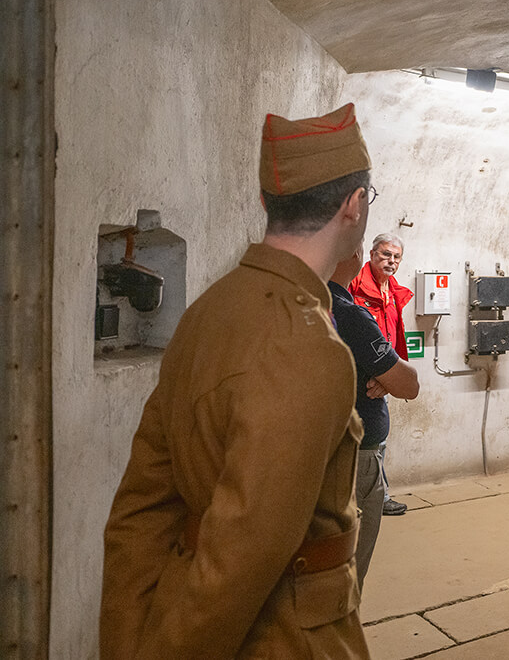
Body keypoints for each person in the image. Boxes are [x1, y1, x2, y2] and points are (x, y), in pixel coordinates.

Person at [100, 103, 374, 658]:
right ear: (354, 205)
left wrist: (129, 642)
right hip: (285, 637)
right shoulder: (309, 350)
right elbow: (242, 558)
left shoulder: (207, 312)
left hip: (181, 605)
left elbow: (141, 511)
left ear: (265, 203)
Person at [328, 247, 421, 593]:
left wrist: (383, 372)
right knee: (347, 562)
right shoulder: (349, 313)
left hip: (318, 449)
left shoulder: (302, 302)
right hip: (356, 456)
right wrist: (388, 376)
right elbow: (408, 385)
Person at [349, 233, 414, 516]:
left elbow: (392, 337)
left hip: (381, 375)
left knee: (377, 437)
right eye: (386, 254)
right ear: (371, 254)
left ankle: (378, 495)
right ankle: (358, 499)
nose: (391, 261)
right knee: (359, 439)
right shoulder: (352, 287)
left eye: (396, 257)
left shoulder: (393, 292)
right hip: (355, 377)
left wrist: (388, 379)